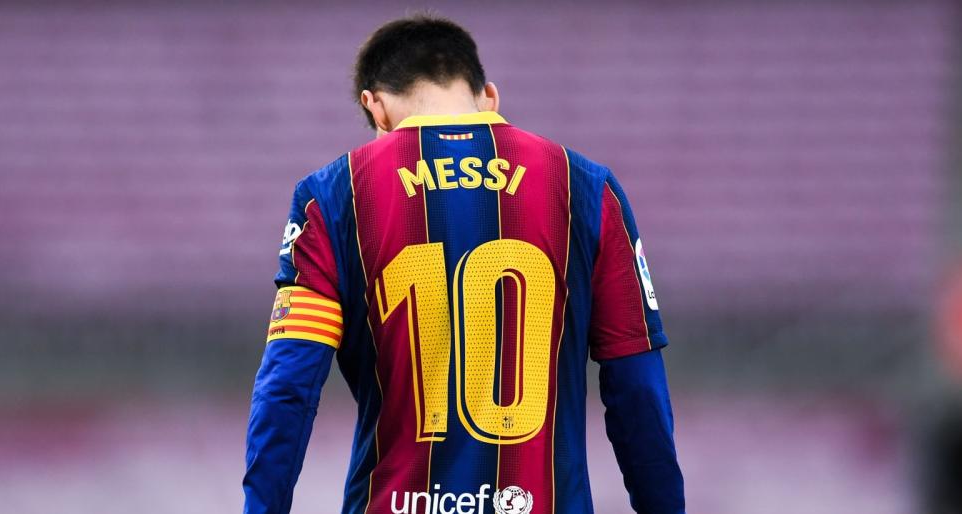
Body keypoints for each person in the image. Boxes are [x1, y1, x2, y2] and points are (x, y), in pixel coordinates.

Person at [244, 14, 684, 514]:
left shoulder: (329, 197)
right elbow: (638, 390)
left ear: (376, 108)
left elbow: (287, 388)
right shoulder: (586, 188)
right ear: (488, 96)